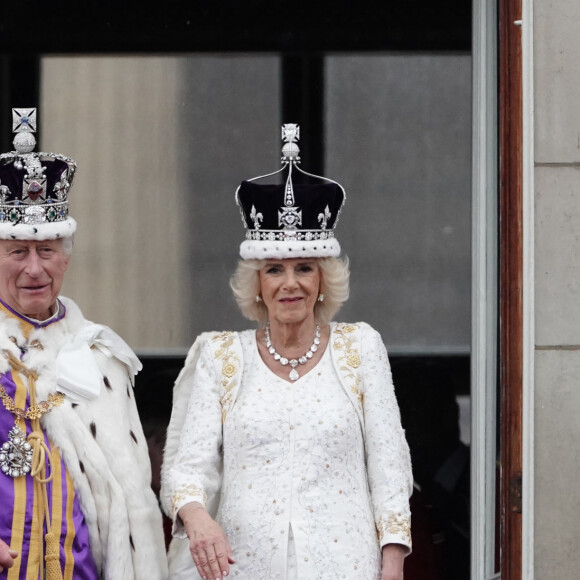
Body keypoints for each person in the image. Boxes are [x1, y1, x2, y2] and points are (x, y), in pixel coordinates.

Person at [161, 124, 412, 580]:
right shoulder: (221, 356)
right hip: (244, 566)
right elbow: (187, 469)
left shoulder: (361, 347)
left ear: (322, 280)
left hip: (345, 565)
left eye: (304, 268)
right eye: (274, 268)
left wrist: (392, 561)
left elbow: (389, 464)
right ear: (257, 282)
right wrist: (197, 520)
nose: (290, 282)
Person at [0, 109, 167, 579]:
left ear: (65, 260)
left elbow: (130, 501)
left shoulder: (100, 359)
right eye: (18, 252)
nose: (34, 268)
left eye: (47, 250)